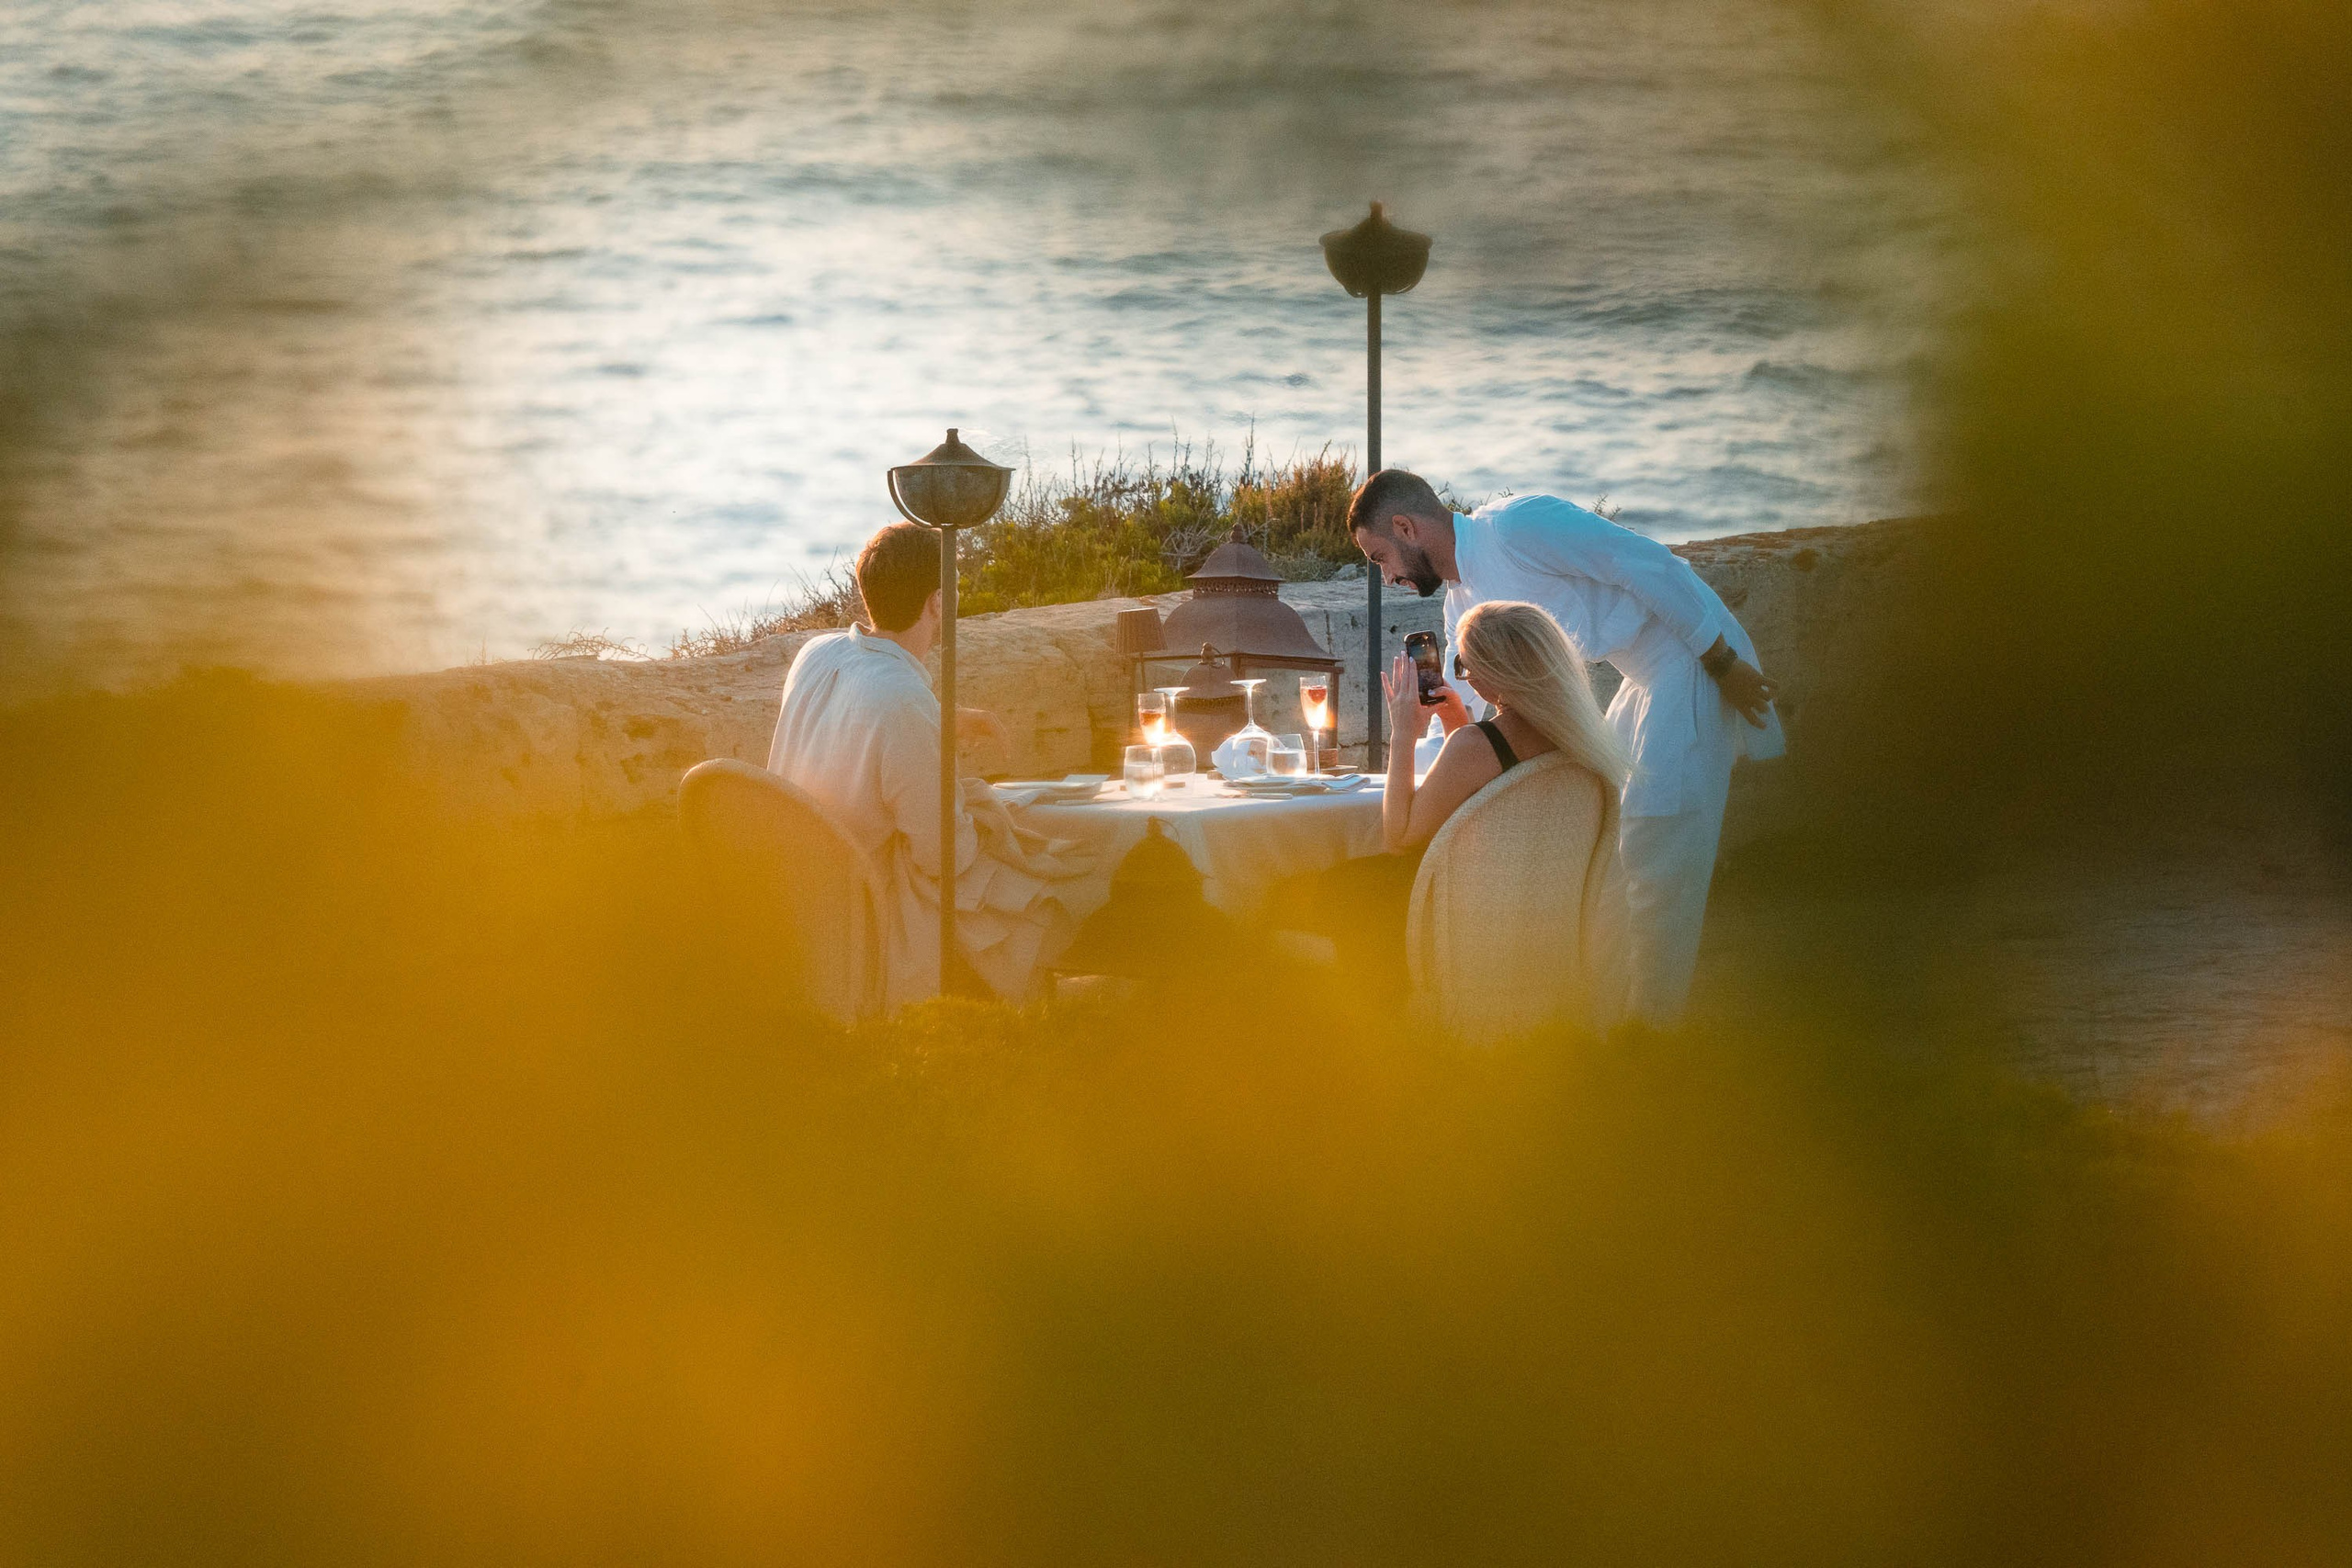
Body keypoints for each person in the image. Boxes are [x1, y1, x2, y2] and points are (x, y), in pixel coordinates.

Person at [1350, 469, 1782, 1025]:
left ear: (1407, 527)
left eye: (1381, 557)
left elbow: (1651, 565)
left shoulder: (1516, 527)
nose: (1385, 578)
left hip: (1693, 654)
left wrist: (1723, 664)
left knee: (1660, 848)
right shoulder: (1460, 612)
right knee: (1609, 858)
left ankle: (1652, 1035)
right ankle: (1606, 1024)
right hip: (1639, 675)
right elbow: (1473, 733)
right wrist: (1424, 736)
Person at [766, 522, 1077, 1006]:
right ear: (938, 603)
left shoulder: (816, 654)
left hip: (796, 895)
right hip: (864, 907)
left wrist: (943, 721)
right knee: (1018, 859)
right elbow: (943, 856)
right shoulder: (903, 699)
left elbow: (855, 723)